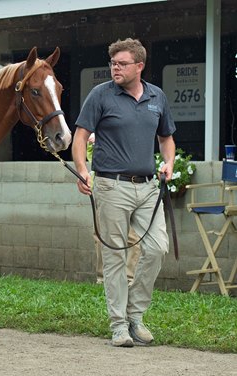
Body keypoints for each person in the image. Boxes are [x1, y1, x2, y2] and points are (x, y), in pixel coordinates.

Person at [72, 38, 176, 347]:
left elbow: (166, 138)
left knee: (157, 248)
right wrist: (81, 169)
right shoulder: (100, 95)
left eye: (122, 64)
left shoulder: (157, 96)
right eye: (113, 63)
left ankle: (135, 315)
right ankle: (119, 325)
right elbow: (80, 138)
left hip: (147, 187)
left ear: (139, 66)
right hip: (110, 185)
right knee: (115, 255)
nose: (115, 68)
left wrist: (169, 162)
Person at [87, 133, 141, 286]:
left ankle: (129, 278)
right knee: (99, 234)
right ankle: (102, 278)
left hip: (125, 189)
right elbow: (91, 159)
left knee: (131, 236)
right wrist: (93, 144)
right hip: (102, 188)